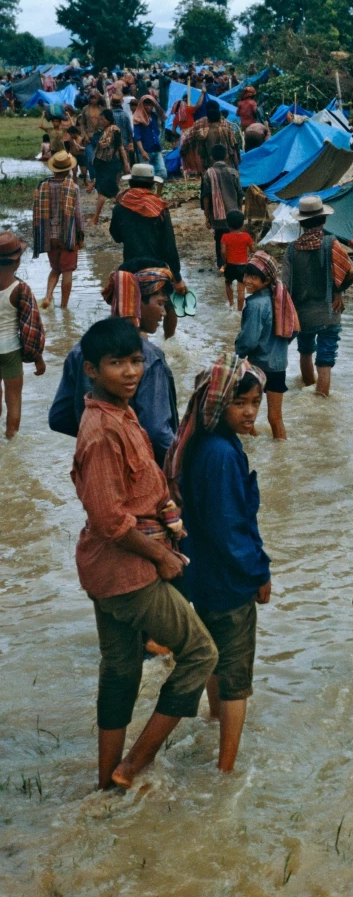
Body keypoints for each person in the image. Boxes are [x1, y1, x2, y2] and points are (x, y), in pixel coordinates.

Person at [70, 317, 218, 789]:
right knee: (201, 654)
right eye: (116, 364)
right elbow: (110, 520)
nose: (130, 372)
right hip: (127, 569)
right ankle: (134, 765)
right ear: (92, 370)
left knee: (121, 670)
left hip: (108, 570)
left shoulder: (122, 412)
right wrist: (161, 555)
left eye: (135, 361)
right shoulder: (101, 431)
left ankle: (106, 782)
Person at [165, 354, 271, 772]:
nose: (249, 412)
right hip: (229, 582)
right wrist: (259, 572)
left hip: (203, 576)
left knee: (213, 656)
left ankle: (212, 721)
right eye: (239, 403)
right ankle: (226, 770)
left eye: (255, 403)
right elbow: (232, 530)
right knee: (236, 681)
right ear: (217, 404)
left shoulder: (200, 444)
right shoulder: (223, 454)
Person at [49, 263, 179, 466]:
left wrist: (99, 439)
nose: (163, 313)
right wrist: (184, 467)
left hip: (96, 462)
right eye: (160, 303)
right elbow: (157, 432)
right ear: (138, 304)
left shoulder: (81, 348)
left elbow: (59, 417)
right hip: (140, 469)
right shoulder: (149, 357)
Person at [281, 195, 353, 397]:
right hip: (329, 312)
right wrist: (338, 290)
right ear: (323, 220)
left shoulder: (291, 250)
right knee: (325, 359)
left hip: (302, 316)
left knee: (305, 352)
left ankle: (307, 393)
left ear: (301, 223)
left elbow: (284, 287)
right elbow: (351, 271)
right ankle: (321, 399)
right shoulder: (332, 244)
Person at [235, 250, 299, 440]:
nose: (247, 280)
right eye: (247, 275)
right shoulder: (280, 298)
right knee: (275, 418)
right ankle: (282, 451)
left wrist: (238, 353)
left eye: (254, 277)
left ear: (266, 280)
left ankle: (252, 446)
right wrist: (280, 346)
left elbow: (249, 340)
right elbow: (294, 328)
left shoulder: (255, 304)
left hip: (257, 367)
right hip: (278, 366)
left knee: (247, 413)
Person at [110, 164, 187, 293]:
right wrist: (177, 278)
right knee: (162, 302)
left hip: (131, 268)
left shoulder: (120, 207)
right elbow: (169, 245)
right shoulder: (159, 207)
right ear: (152, 185)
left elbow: (116, 237)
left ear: (131, 183)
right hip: (157, 269)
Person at [0, 232, 46, 438]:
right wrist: (37, 358)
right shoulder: (20, 289)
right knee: (14, 399)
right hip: (10, 350)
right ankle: (11, 438)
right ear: (17, 262)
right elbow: (31, 329)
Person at [32, 149, 85, 314]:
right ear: (68, 170)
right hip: (68, 236)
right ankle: (64, 307)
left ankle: (48, 296)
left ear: (54, 169)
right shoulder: (73, 188)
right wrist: (81, 236)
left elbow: (36, 211)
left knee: (55, 269)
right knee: (67, 271)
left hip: (49, 235)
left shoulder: (43, 186)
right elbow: (78, 215)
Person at [201, 144, 244, 267]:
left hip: (216, 214)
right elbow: (240, 194)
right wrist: (240, 210)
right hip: (233, 213)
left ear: (211, 157)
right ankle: (234, 261)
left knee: (219, 238)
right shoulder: (233, 172)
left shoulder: (208, 174)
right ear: (226, 156)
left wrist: (207, 216)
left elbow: (206, 196)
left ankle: (221, 263)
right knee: (233, 238)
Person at [91, 109, 130, 226]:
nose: (101, 121)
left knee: (104, 191)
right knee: (110, 193)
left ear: (108, 119)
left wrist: (126, 164)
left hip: (109, 165)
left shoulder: (114, 131)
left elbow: (121, 148)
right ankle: (126, 213)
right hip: (102, 165)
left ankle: (96, 218)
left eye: (103, 119)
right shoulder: (104, 130)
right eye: (100, 119)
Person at [180, 99, 240, 174]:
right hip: (227, 165)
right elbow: (234, 147)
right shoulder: (226, 125)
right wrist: (237, 169)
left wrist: (183, 152)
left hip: (208, 167)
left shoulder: (200, 125)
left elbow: (188, 140)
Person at [220, 210, 253, 311]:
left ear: (228, 224)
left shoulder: (225, 237)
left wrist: (225, 262)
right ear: (242, 224)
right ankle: (239, 310)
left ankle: (231, 304)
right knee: (241, 289)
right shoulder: (246, 236)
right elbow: (253, 250)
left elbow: (223, 251)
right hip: (243, 266)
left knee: (228, 282)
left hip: (230, 264)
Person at [133, 94, 168, 182]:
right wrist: (142, 151)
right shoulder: (138, 118)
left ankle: (158, 190)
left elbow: (157, 131)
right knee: (146, 177)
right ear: (142, 105)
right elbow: (137, 137)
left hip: (156, 149)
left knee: (162, 173)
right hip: (145, 150)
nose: (149, 107)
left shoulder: (154, 116)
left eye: (151, 105)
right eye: (146, 104)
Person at [78, 89, 105, 185]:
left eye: (95, 97)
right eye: (91, 97)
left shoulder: (102, 109)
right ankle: (93, 178)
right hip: (89, 137)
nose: (93, 100)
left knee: (100, 158)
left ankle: (100, 177)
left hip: (100, 136)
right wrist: (84, 135)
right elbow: (82, 124)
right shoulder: (85, 109)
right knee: (90, 159)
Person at [110, 93, 135, 163]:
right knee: (126, 161)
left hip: (113, 143)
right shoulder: (125, 115)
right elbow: (130, 130)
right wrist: (131, 142)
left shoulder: (110, 115)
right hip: (125, 142)